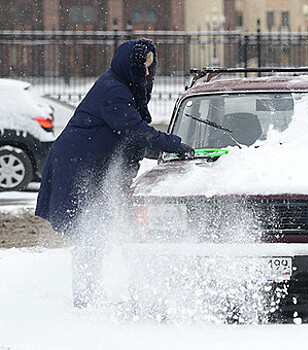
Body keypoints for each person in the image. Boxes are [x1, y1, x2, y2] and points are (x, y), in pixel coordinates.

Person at [35, 38, 193, 308]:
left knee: (97, 230)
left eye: (150, 67)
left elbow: (132, 135)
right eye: (142, 65)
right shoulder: (114, 91)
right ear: (129, 65)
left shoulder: (124, 86)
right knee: (88, 232)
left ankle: (89, 294)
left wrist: (162, 149)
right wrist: (173, 144)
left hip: (90, 166)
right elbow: (134, 130)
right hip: (76, 167)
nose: (146, 72)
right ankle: (85, 300)